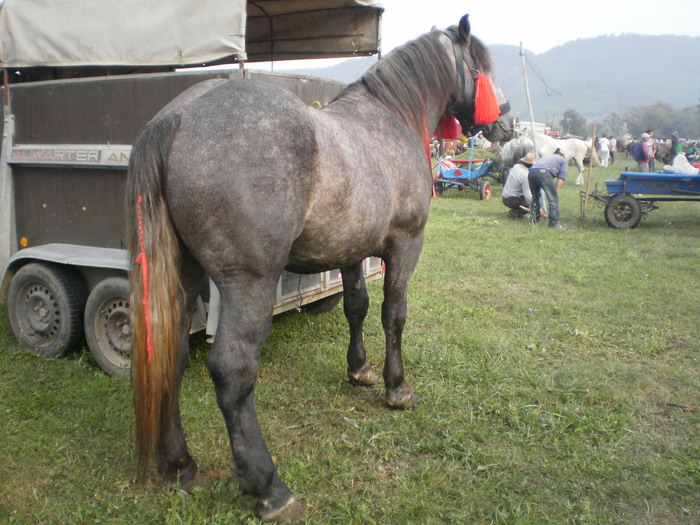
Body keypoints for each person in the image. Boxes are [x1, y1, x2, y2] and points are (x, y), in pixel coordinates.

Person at [528, 148, 567, 228]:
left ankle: (534, 220)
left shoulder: (546, 158)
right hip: (543, 172)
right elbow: (561, 178)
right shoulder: (562, 160)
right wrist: (557, 191)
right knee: (553, 198)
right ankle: (554, 223)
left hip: (531, 172)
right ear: (562, 155)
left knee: (535, 197)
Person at [502, 152, 535, 219]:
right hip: (512, 199)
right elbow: (528, 196)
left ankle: (517, 211)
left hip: (505, 196)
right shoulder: (525, 175)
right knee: (531, 203)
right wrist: (536, 206)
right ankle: (516, 212)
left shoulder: (516, 166)